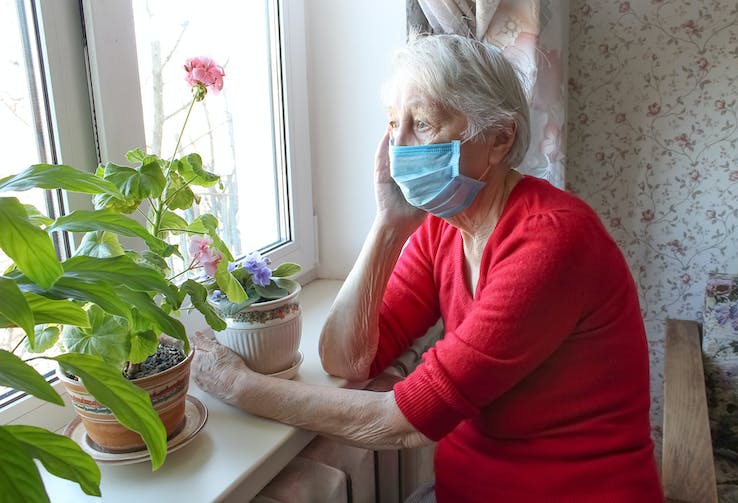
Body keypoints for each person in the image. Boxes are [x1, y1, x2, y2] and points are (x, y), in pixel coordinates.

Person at [190, 33, 663, 502]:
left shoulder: (551, 239)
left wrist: (239, 385)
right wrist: (388, 225)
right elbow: (348, 358)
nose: (399, 148)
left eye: (423, 124)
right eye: (392, 125)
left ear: (498, 139)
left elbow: (402, 423)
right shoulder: (443, 228)